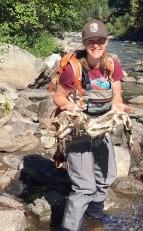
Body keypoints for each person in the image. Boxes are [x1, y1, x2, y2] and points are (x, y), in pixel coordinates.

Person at [53, 19, 133, 231]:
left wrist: (119, 107)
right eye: (91, 41)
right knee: (85, 186)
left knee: (107, 176)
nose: (95, 45)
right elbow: (58, 97)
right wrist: (70, 107)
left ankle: (94, 215)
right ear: (84, 42)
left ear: (106, 41)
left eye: (100, 40)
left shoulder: (112, 66)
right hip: (78, 128)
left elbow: (116, 96)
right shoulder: (74, 69)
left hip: (101, 128)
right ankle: (70, 227)